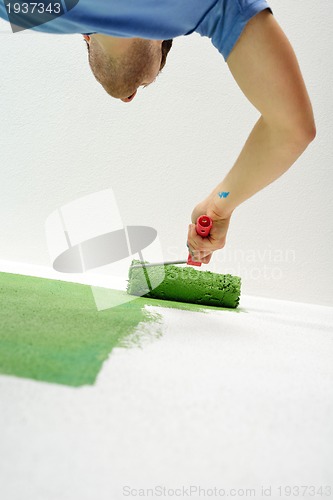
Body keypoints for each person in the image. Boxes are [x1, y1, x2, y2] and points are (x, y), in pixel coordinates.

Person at [0, 0, 316, 264]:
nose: (129, 97)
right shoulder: (207, 8)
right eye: (145, 84)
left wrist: (220, 203)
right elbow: (290, 129)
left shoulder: (28, 8)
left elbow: (290, 129)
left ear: (85, 38)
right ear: (161, 38)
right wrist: (221, 204)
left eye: (141, 86)